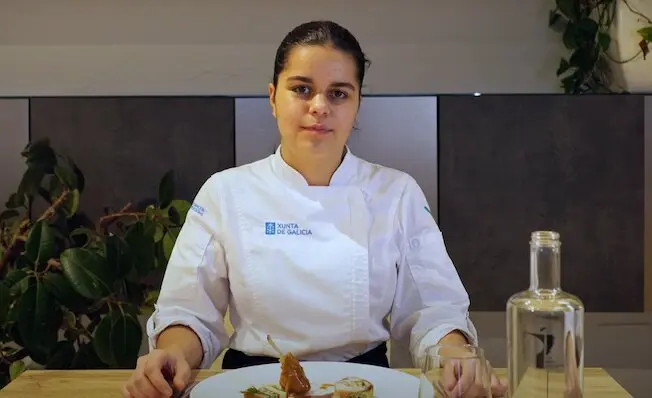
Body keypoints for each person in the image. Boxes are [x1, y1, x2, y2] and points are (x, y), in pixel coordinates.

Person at [122, 20, 506, 398]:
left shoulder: (396, 193)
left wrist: (456, 356)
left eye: (338, 94)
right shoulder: (226, 192)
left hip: (364, 386)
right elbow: (190, 311)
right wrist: (171, 355)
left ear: (357, 105)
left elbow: (433, 308)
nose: (319, 106)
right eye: (302, 89)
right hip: (251, 386)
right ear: (273, 97)